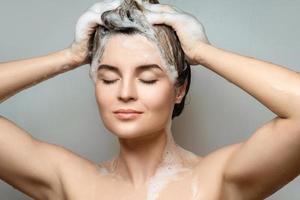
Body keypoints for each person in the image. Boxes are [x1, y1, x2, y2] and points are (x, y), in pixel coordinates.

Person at [0, 0, 300, 199]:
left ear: (179, 89)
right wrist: (70, 56)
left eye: (148, 78)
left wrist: (202, 52)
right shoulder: (72, 183)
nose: (125, 92)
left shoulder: (216, 181)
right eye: (109, 78)